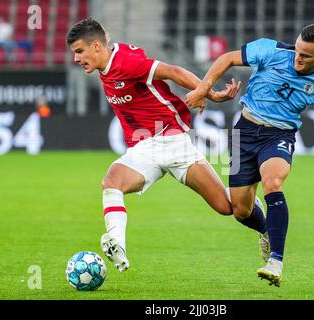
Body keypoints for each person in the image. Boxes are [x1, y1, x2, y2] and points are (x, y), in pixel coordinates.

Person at [66, 17, 270, 273]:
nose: (76, 59)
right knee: (112, 182)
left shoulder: (127, 62)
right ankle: (117, 243)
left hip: (172, 141)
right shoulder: (105, 62)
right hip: (145, 147)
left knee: (229, 208)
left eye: (79, 51)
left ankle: (265, 227)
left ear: (96, 46)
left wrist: (209, 92)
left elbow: (173, 72)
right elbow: (103, 34)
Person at [185, 24, 314, 287]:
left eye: (306, 56)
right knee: (239, 210)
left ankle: (275, 261)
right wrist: (204, 88)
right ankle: (264, 229)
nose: (298, 57)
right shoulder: (270, 50)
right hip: (243, 133)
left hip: (279, 136)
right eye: (297, 50)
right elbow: (227, 58)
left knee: (273, 183)